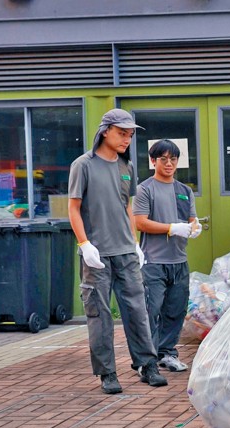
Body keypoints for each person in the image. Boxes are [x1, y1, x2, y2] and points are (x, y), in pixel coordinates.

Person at [69, 108, 168, 394]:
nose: (127, 139)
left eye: (130, 134)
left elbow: (128, 207)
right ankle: (107, 373)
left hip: (126, 251)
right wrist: (84, 244)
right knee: (99, 314)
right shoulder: (83, 165)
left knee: (138, 311)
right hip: (97, 255)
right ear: (105, 131)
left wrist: (135, 243)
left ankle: (147, 365)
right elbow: (73, 208)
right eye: (122, 133)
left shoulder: (126, 167)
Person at [133, 139, 202, 373]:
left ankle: (167, 353)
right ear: (153, 161)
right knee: (151, 311)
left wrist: (195, 226)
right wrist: (171, 228)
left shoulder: (184, 191)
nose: (169, 163)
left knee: (176, 310)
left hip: (179, 261)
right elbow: (140, 222)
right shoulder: (145, 189)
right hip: (154, 261)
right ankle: (146, 360)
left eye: (173, 159)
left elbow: (191, 219)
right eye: (163, 159)